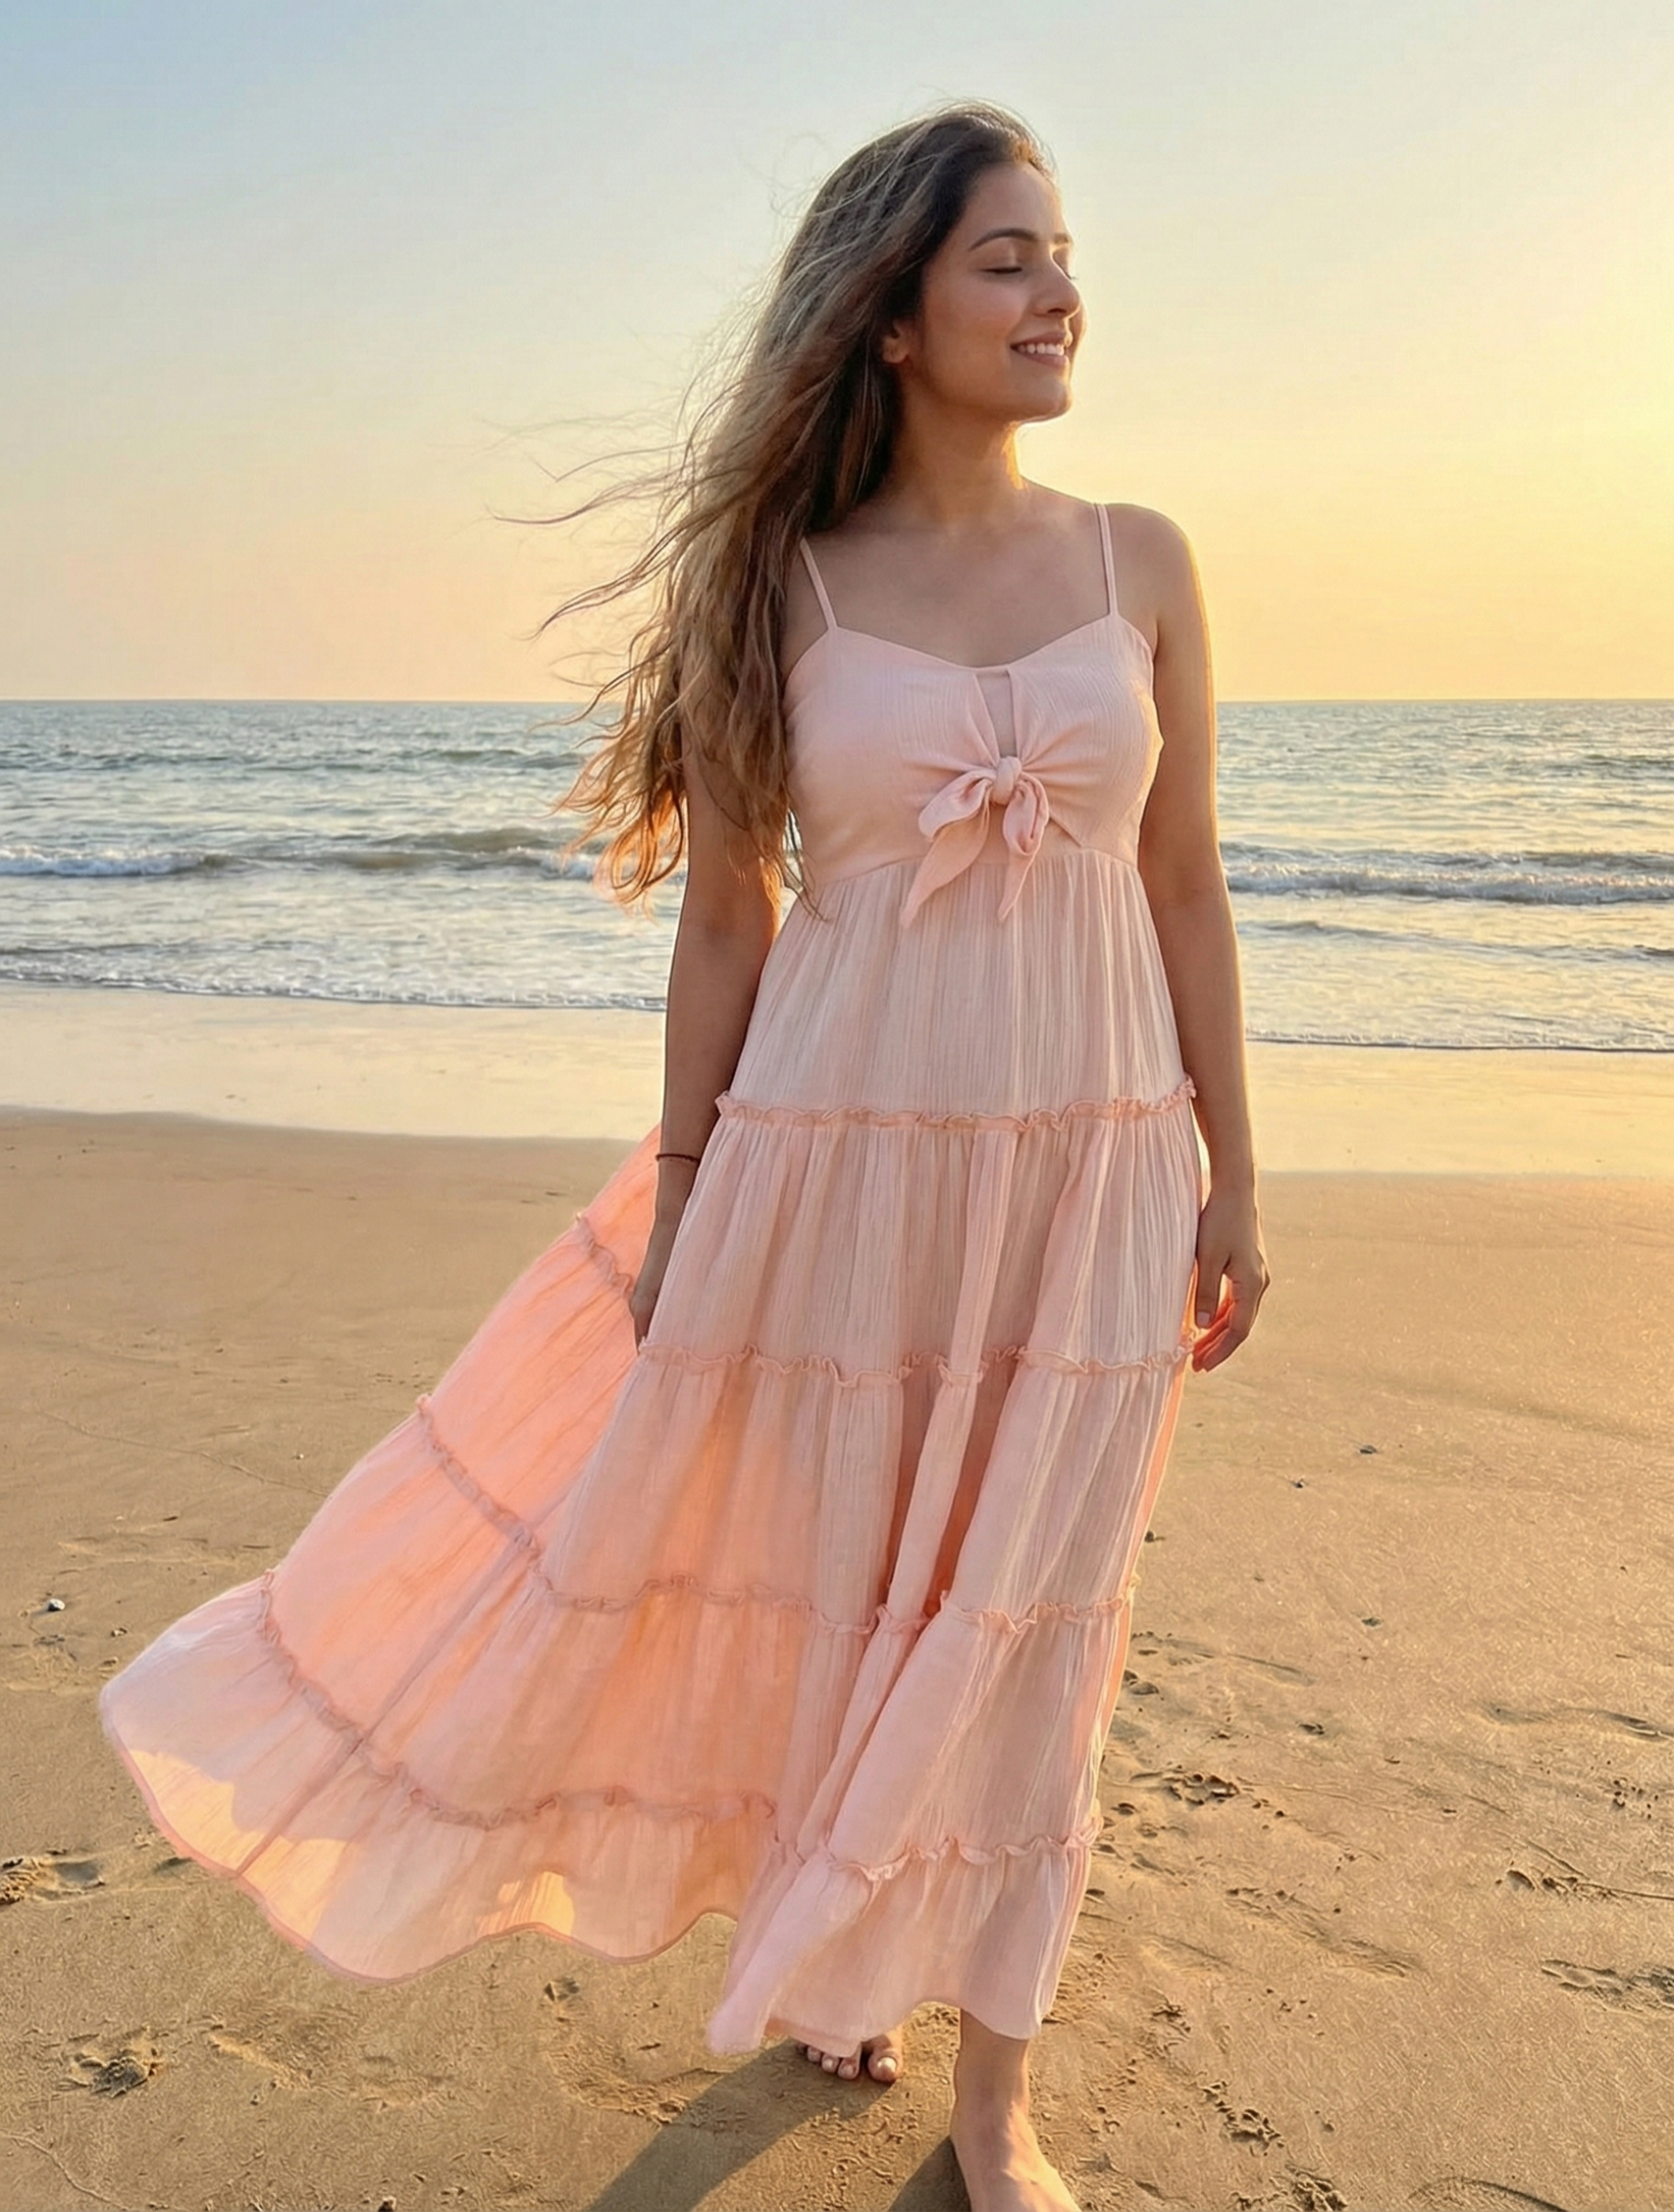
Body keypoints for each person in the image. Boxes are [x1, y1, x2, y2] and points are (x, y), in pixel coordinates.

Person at [100, 100, 1270, 2212]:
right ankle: (845, 1938)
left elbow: (1182, 886)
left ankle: (994, 2113)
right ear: (892, 316)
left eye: (1058, 248)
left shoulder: (1144, 560)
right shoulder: (784, 585)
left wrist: (1236, 1174)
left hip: (1089, 1167)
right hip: (842, 1166)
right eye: (1005, 255)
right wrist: (689, 1183)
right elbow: (730, 911)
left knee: (1030, 1612)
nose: (1054, 287)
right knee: (858, 1588)